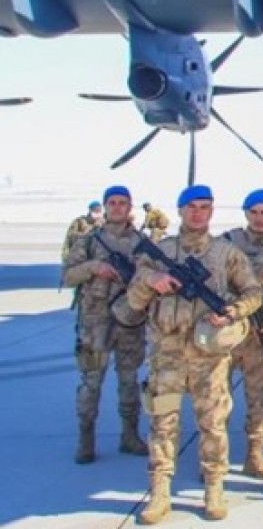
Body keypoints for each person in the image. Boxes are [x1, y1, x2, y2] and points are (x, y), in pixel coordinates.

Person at [126, 185, 263, 523]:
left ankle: (214, 488)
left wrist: (233, 312)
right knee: (162, 424)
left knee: (213, 424)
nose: (198, 213)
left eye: (205, 207)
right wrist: (152, 279)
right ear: (180, 210)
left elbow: (253, 292)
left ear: (212, 211)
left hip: (209, 357)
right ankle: (160, 492)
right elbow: (133, 300)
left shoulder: (226, 253)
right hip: (167, 354)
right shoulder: (161, 251)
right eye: (192, 207)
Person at [62, 186, 146, 464]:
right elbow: (67, 276)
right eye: (113, 203)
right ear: (106, 206)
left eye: (123, 203)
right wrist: (93, 268)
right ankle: (85, 440)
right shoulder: (89, 241)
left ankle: (130, 436)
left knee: (129, 382)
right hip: (95, 323)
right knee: (91, 383)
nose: (117, 207)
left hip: (130, 322)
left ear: (130, 207)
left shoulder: (142, 242)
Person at [221, 189, 263, 479]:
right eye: (254, 213)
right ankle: (215, 459)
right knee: (217, 400)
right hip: (230, 330)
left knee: (257, 398)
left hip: (262, 332)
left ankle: (254, 456)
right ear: (246, 214)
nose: (259, 219)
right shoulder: (228, 242)